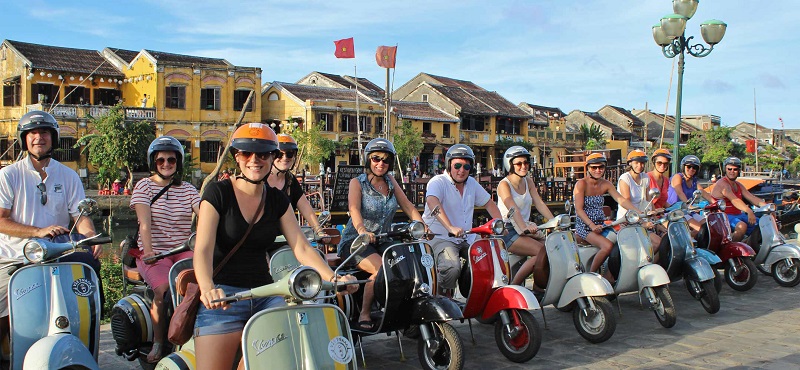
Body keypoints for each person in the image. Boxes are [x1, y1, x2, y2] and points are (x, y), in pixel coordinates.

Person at [194, 123, 356, 369]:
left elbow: (301, 247)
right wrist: (207, 288)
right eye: (247, 153)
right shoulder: (218, 193)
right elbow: (203, 248)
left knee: (292, 354)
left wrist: (334, 278)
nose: (254, 160)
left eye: (263, 154)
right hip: (224, 295)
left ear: (272, 157)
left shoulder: (277, 199)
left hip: (266, 294)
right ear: (237, 157)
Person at [0, 111, 101, 343]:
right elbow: (1, 220)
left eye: (44, 132)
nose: (38, 137)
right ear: (24, 138)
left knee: (84, 300)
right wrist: (38, 232)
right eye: (33, 133)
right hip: (13, 256)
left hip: (57, 256)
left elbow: (79, 214)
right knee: (2, 314)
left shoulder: (68, 176)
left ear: (53, 137)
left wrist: (90, 236)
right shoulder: (8, 175)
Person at [337, 138, 425, 330]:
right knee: (380, 269)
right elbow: (354, 210)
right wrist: (362, 230)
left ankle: (400, 308)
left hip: (383, 240)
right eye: (376, 158)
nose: (380, 163)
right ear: (368, 160)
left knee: (406, 262)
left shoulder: (391, 182)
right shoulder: (357, 183)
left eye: (385, 160)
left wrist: (422, 227)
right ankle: (365, 313)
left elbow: (408, 206)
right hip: (356, 242)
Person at [130, 136, 200, 362]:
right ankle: (159, 342)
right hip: (155, 253)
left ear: (178, 162)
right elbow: (145, 223)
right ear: (154, 162)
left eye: (171, 160)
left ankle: (196, 334)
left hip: (182, 249)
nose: (166, 164)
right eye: (161, 160)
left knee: (203, 281)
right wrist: (148, 250)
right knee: (163, 290)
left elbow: (205, 214)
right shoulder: (145, 186)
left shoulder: (188, 189)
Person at [422, 144, 503, 296]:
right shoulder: (438, 181)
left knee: (487, 258)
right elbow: (433, 202)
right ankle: (439, 298)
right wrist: (450, 227)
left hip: (466, 237)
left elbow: (489, 203)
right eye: (457, 165)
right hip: (440, 237)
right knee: (452, 267)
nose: (461, 170)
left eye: (466, 166)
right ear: (449, 165)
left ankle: (480, 298)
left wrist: (500, 223)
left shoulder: (471, 183)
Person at [573, 153, 641, 275]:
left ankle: (612, 275)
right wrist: (591, 225)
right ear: (588, 168)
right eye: (594, 167)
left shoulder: (606, 184)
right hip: (585, 227)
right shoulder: (581, 184)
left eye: (601, 167)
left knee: (625, 239)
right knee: (607, 246)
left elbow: (621, 199)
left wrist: (638, 212)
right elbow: (579, 209)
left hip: (601, 224)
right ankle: (590, 275)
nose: (598, 170)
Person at [497, 146, 555, 287]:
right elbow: (512, 207)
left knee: (553, 249)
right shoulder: (504, 185)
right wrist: (523, 226)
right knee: (541, 252)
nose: (524, 166)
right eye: (519, 163)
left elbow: (539, 203)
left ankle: (539, 286)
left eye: (526, 163)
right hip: (508, 230)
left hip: (525, 228)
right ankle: (514, 288)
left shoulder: (528, 181)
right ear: (510, 165)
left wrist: (554, 221)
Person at [267, 134, 327, 236]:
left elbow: (305, 207)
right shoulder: (261, 179)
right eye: (279, 155)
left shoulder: (290, 180)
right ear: (272, 156)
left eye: (289, 154)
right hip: (261, 240)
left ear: (294, 156)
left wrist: (319, 230)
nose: (285, 158)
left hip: (286, 239)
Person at [710, 157, 768, 242]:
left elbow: (752, 198)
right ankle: (728, 250)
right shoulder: (723, 184)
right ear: (725, 169)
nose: (732, 171)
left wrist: (768, 207)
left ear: (739, 171)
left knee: (763, 225)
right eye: (729, 169)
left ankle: (749, 247)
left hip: (738, 214)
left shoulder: (738, 185)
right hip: (722, 216)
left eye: (735, 169)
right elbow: (735, 200)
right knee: (742, 226)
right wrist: (749, 211)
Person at [617, 150, 662, 249]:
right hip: (629, 220)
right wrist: (642, 222)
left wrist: (654, 215)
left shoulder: (645, 177)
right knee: (657, 242)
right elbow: (626, 203)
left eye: (642, 163)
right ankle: (643, 263)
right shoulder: (625, 179)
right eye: (636, 162)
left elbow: (648, 199)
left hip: (643, 217)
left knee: (665, 237)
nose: (640, 165)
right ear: (630, 163)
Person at [670, 155, 715, 235]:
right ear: (683, 167)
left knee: (708, 225)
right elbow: (680, 192)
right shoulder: (678, 177)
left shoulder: (694, 181)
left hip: (688, 211)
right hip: (676, 211)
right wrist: (689, 205)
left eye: (694, 167)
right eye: (689, 166)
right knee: (699, 228)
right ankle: (687, 244)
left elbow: (703, 192)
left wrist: (716, 203)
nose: (691, 169)